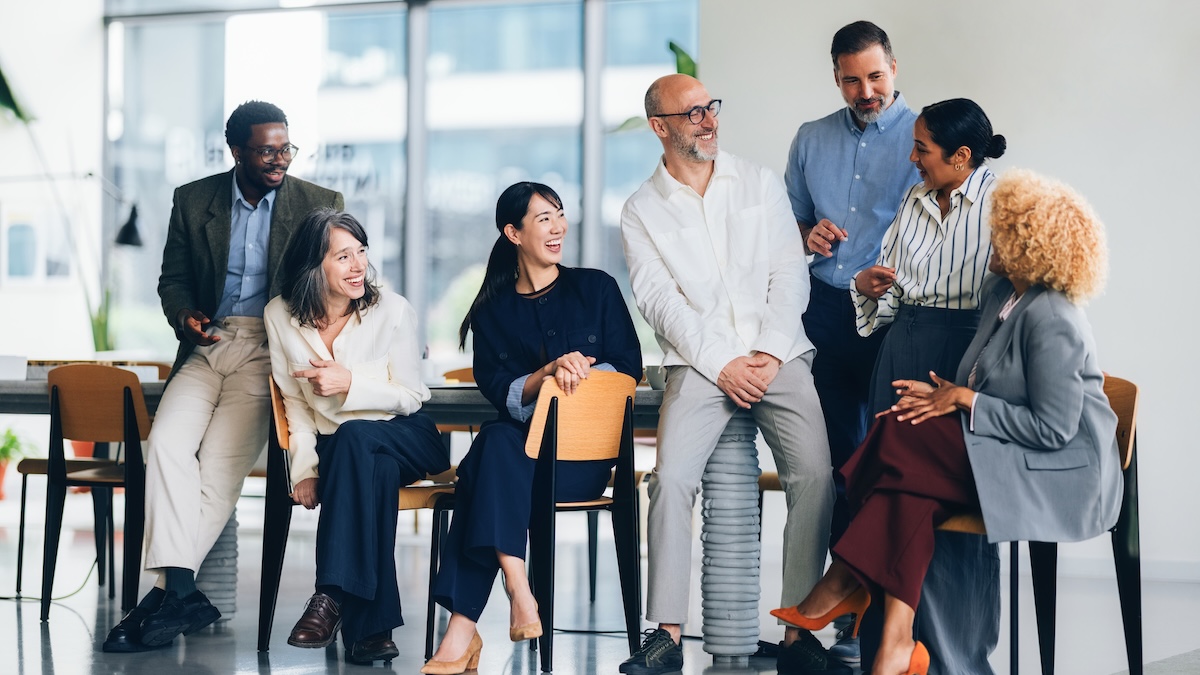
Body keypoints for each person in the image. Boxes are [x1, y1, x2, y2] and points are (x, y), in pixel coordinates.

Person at [771, 168, 1122, 675]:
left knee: (895, 439)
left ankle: (845, 580)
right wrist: (946, 395)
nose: (988, 240)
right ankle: (895, 641)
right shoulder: (1003, 294)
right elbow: (997, 383)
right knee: (901, 446)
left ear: (1030, 246)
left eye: (999, 232)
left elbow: (1054, 429)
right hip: (1006, 447)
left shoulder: (1055, 318)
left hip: (1058, 468)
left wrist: (962, 401)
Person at [102, 101, 343, 653]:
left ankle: (163, 600)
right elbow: (174, 278)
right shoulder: (194, 200)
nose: (279, 159)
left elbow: (332, 288)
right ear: (235, 151)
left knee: (217, 475)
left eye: (286, 148)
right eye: (267, 151)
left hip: (269, 348)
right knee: (164, 445)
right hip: (208, 343)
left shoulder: (318, 204)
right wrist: (186, 313)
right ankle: (181, 595)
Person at [619, 74, 834, 675]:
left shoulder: (759, 183)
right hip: (700, 364)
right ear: (660, 128)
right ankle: (663, 634)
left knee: (815, 475)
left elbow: (789, 274)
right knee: (670, 480)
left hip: (780, 353)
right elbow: (660, 302)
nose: (708, 119)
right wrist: (723, 364)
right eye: (691, 114)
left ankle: (798, 631)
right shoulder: (641, 210)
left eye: (710, 106)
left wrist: (764, 352)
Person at [424, 182, 642, 675]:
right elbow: (494, 386)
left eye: (559, 214)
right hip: (521, 459)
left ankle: (478, 619)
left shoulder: (597, 288)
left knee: (483, 461)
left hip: (580, 466)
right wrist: (544, 377)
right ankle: (514, 598)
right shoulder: (490, 313)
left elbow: (628, 368)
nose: (558, 226)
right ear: (513, 232)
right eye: (543, 218)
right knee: (498, 442)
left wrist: (580, 374)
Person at [849, 97, 1006, 674]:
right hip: (900, 348)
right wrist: (867, 285)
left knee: (949, 507)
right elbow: (887, 289)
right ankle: (887, 650)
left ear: (962, 156)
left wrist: (971, 380)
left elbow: (1013, 298)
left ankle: (955, 659)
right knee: (887, 492)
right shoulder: (915, 200)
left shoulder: (1002, 203)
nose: (912, 158)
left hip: (962, 358)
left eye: (922, 149)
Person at [783, 20, 919, 668]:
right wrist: (805, 232)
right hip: (827, 314)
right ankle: (847, 621)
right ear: (836, 78)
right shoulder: (811, 139)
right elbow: (786, 221)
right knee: (843, 464)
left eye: (875, 76)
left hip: (895, 317)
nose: (864, 90)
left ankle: (878, 618)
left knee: (884, 463)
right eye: (851, 79)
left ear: (893, 67)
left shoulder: (927, 139)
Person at [263, 208, 449, 664]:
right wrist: (304, 470)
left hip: (406, 435)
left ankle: (329, 596)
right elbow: (295, 406)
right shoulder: (280, 316)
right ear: (313, 266)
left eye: (361, 252)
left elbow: (411, 395)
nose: (358, 265)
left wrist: (351, 383)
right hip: (343, 451)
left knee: (357, 441)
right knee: (371, 468)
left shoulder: (392, 310)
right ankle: (371, 631)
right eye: (343, 256)